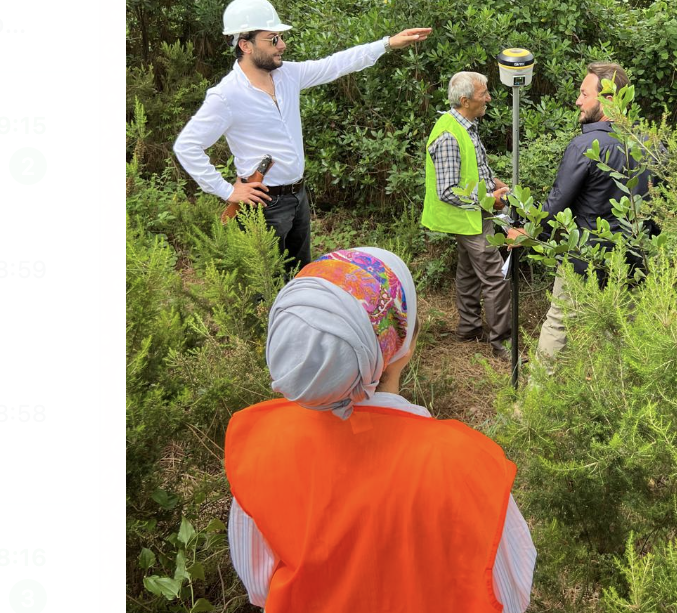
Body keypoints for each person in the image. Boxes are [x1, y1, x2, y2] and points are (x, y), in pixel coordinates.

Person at [224, 247, 536, 612]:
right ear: (404, 346)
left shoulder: (261, 446)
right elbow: (512, 596)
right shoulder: (467, 466)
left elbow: (259, 586)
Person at [174, 0, 432, 275]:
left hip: (297, 196)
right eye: (273, 39)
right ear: (245, 45)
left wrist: (386, 43)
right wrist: (227, 191)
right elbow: (187, 146)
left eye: (281, 38)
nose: (282, 45)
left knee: (300, 277)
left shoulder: (288, 75)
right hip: (263, 205)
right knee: (266, 285)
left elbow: (335, 64)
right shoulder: (226, 95)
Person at [508, 62, 657, 367]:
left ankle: (534, 407)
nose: (578, 100)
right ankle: (615, 404)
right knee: (620, 333)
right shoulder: (648, 145)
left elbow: (558, 203)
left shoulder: (586, 145)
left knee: (559, 325)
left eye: (584, 93)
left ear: (610, 99)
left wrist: (529, 234)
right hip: (633, 261)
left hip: (585, 260)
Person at [420, 71, 518, 362]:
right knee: (495, 276)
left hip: (472, 216)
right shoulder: (450, 135)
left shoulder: (466, 125)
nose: (488, 98)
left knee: (467, 271)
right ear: (465, 100)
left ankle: (469, 327)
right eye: (483, 94)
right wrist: (492, 200)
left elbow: (473, 169)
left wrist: (495, 183)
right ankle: (502, 343)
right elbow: (448, 191)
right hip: (466, 218)